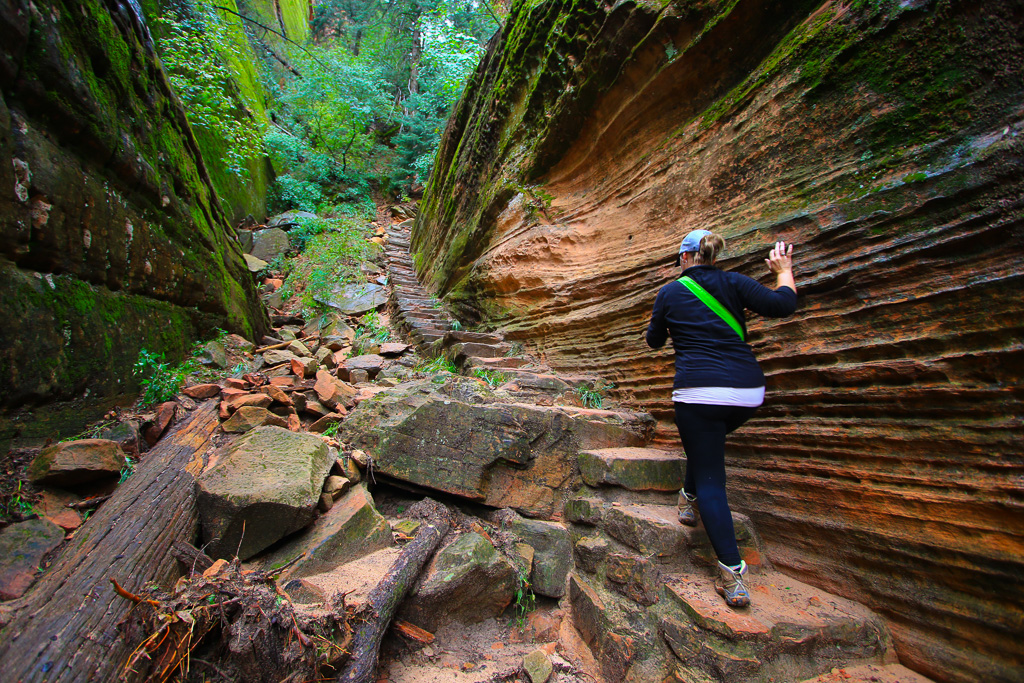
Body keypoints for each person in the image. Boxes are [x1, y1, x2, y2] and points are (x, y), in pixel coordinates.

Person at [645, 229, 797, 608]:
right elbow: (784, 305)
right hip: (748, 394)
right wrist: (783, 269)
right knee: (706, 445)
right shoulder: (735, 282)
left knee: (713, 478)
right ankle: (687, 494)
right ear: (712, 256)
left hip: (699, 392)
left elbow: (653, 341)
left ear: (684, 258)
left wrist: (665, 322)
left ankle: (732, 573)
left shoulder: (670, 292)